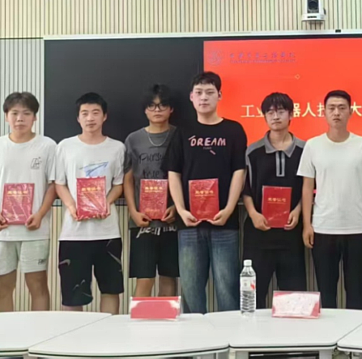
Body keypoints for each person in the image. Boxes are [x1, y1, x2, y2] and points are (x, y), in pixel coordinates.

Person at [166, 71, 247, 313]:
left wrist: (229, 208)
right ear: (191, 97)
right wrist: (181, 210)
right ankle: (195, 336)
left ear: (219, 96)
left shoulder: (234, 130)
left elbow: (239, 172)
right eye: (199, 93)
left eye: (210, 92)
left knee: (227, 288)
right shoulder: (181, 132)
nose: (204, 97)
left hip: (225, 222)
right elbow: (173, 172)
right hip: (189, 223)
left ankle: (230, 334)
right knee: (191, 290)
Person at [0, 92, 57, 312]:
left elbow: (53, 185)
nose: (20, 118)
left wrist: (40, 214)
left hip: (35, 229)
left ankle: (39, 331)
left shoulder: (48, 146)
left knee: (38, 285)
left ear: (35, 117)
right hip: (1, 230)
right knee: (2, 287)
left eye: (26, 113)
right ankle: (3, 332)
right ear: (6, 116)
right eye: (15, 113)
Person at [298, 90, 362, 309]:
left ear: (351, 112)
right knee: (326, 292)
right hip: (323, 227)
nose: (337, 113)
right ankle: (329, 332)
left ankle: (356, 332)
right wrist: (307, 224)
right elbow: (307, 187)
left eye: (342, 108)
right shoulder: (313, 145)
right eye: (332, 108)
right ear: (323, 112)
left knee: (356, 290)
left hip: (357, 227)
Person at [55, 92, 125, 313]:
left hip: (107, 232)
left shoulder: (117, 148)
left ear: (105, 116)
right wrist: (71, 206)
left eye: (95, 112)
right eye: (84, 113)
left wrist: (106, 203)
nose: (90, 118)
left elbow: (119, 185)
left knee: (111, 289)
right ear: (78, 118)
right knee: (72, 295)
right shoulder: (65, 146)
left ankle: (109, 333)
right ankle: (75, 336)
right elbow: (59, 184)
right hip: (73, 233)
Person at [242, 92, 307, 308]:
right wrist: (253, 214)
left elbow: (309, 188)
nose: (275, 116)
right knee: (254, 294)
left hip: (292, 231)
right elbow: (246, 189)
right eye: (270, 112)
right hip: (259, 232)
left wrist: (298, 210)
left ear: (291, 115)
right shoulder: (253, 151)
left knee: (293, 295)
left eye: (280, 111)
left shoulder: (305, 150)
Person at [123, 84, 179, 298]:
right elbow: (128, 179)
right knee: (144, 278)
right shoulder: (133, 139)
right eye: (152, 106)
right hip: (142, 221)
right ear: (145, 110)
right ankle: (140, 318)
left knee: (169, 277)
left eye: (162, 105)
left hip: (172, 220)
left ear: (171, 109)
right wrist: (133, 211)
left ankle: (168, 317)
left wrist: (177, 208)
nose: (157, 110)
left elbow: (187, 176)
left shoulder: (179, 136)